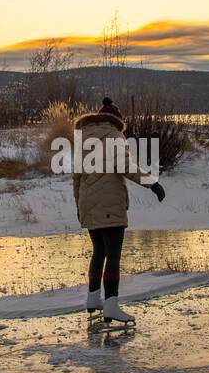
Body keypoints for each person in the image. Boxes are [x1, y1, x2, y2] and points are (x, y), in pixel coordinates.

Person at [71, 98, 165, 324]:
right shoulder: (114, 136)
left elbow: (76, 177)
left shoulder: (81, 137)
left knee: (99, 252)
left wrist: (79, 205)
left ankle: (93, 298)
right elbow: (126, 166)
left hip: (88, 202)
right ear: (116, 118)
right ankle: (111, 304)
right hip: (109, 203)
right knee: (112, 255)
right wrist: (152, 183)